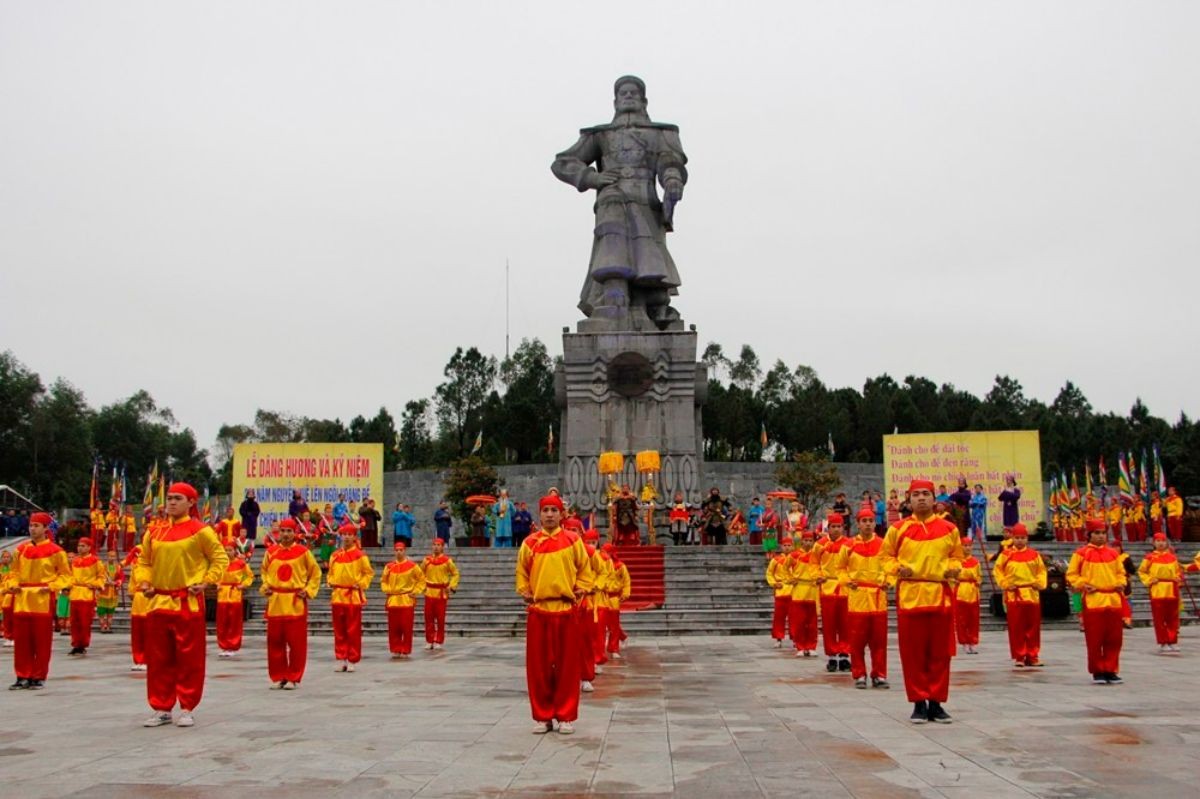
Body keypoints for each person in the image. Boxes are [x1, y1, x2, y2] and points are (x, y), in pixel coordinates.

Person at [550, 75, 688, 328]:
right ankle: (614, 293)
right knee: (613, 219)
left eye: (633, 93)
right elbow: (563, 162)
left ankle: (654, 301)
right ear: (614, 101)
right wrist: (592, 177)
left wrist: (672, 180)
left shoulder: (661, 134)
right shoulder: (602, 135)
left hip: (645, 201)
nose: (628, 97)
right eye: (622, 93)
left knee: (649, 256)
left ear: (644, 100)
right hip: (612, 198)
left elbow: (670, 161)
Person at [134, 483, 229, 726]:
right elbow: (143, 561)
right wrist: (144, 582)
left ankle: (187, 706)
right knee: (158, 659)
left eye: (177, 498)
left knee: (189, 658)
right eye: (169, 498)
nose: (171, 503)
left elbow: (220, 558)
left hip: (188, 602)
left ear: (190, 503)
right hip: (158, 601)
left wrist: (206, 582)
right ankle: (162, 707)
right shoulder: (154, 532)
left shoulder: (201, 531)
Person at [882, 479, 964, 724]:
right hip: (911, 594)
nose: (921, 498)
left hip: (939, 594)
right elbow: (885, 557)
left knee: (940, 652)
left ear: (934, 498)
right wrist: (898, 568)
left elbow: (957, 557)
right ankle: (918, 702)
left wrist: (953, 569)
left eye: (926, 494)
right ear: (908, 499)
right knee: (913, 652)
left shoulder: (949, 529)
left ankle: (937, 702)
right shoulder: (898, 529)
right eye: (916, 494)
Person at [515, 493, 595, 735]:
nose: (549, 514)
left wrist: (582, 587)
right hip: (539, 610)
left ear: (562, 514)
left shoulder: (572, 540)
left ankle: (565, 714)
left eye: (554, 510)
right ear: (539, 515)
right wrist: (525, 591)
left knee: (567, 666)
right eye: (546, 510)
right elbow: (522, 573)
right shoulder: (530, 543)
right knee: (538, 667)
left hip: (566, 609)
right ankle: (543, 715)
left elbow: (585, 569)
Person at [5, 512, 71, 689]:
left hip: (42, 598)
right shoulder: (21, 549)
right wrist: (13, 584)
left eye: (36, 526)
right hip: (22, 597)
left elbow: (65, 576)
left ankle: (38, 675)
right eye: (31, 525)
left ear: (45, 528)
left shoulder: (56, 551)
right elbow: (13, 573)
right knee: (22, 641)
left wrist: (51, 587)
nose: (32, 529)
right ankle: (22, 675)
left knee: (41, 640)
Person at [259, 518, 321, 690]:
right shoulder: (271, 552)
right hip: (276, 602)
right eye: (283, 531)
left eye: (289, 531)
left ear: (295, 533)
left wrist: (308, 590)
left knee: (296, 643)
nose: (285, 535)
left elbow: (315, 573)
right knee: (275, 642)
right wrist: (266, 586)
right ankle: (279, 676)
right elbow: (264, 572)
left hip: (295, 602)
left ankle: (294, 676)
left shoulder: (303, 552)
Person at [1066, 519, 1127, 684]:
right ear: (1089, 535)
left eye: (1102, 533)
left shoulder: (1113, 554)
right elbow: (1071, 575)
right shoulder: (1081, 554)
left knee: (1114, 638)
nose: (1100, 536)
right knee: (1094, 638)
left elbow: (1121, 573)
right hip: (1093, 600)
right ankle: (1098, 670)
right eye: (1096, 533)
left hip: (1113, 599)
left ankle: (1111, 669)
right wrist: (1083, 585)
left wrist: (1121, 583)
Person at [840, 509, 891, 688]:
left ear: (875, 523)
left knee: (879, 640)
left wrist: (889, 581)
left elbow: (891, 566)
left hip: (878, 598)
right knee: (857, 639)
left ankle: (879, 674)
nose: (868, 524)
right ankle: (859, 674)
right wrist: (848, 581)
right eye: (864, 521)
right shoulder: (849, 545)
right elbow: (840, 569)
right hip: (858, 597)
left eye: (871, 520)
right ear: (858, 524)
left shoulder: (883, 544)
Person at [994, 523, 1047, 667]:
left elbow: (1041, 571)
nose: (1019, 540)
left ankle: (1033, 655)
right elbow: (998, 571)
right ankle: (1019, 655)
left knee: (1033, 627)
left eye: (1022, 538)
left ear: (1027, 539)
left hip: (1031, 594)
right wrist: (1005, 584)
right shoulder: (1006, 555)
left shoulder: (1034, 555)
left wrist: (1040, 583)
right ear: (1012, 538)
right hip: (1014, 595)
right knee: (1017, 627)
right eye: (1017, 537)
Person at [327, 524, 375, 672]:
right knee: (339, 630)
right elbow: (330, 573)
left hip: (353, 596)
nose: (346, 537)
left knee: (353, 629)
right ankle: (341, 657)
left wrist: (360, 584)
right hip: (338, 596)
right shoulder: (335, 555)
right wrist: (330, 581)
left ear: (355, 537)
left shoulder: (360, 555)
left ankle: (352, 659)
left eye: (350, 534)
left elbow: (368, 573)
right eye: (344, 534)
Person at [814, 514, 852, 673]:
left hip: (845, 587)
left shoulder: (850, 544)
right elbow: (813, 564)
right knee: (829, 624)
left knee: (845, 623)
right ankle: (832, 655)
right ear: (828, 528)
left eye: (838, 526)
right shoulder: (820, 545)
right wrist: (818, 576)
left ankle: (844, 654)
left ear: (843, 528)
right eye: (833, 526)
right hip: (828, 586)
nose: (836, 529)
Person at [1138, 533, 1182, 653]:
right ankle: (1163, 642)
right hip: (1157, 589)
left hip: (1171, 589)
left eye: (1163, 541)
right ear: (1154, 543)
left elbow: (1178, 571)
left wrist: (1178, 578)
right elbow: (1142, 572)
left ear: (1166, 543)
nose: (1161, 543)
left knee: (1172, 617)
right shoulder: (1149, 557)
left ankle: (1172, 641)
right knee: (1159, 618)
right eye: (1158, 541)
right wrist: (1150, 580)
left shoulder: (1172, 557)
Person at [381, 542, 425, 659]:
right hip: (393, 600)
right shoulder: (389, 567)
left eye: (401, 550)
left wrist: (415, 591)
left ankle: (405, 649)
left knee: (406, 627)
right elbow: (384, 581)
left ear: (405, 551)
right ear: (394, 551)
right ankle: (395, 648)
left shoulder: (412, 566)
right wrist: (387, 590)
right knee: (393, 627)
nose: (399, 552)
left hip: (406, 600)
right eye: (397, 550)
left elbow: (421, 580)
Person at [66, 536, 106, 656]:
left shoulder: (95, 561)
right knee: (74, 622)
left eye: (83, 546)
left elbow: (101, 577)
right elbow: (69, 576)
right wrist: (68, 586)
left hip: (87, 594)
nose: (80, 548)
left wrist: (94, 584)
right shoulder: (74, 561)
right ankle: (75, 644)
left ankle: (83, 644)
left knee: (84, 622)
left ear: (89, 547)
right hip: (75, 594)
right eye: (79, 546)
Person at [215, 544, 254, 658]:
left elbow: (249, 576)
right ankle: (224, 646)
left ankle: (232, 645)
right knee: (222, 621)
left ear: (235, 551)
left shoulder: (241, 563)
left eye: (230, 550)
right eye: (226, 550)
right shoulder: (220, 563)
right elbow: (215, 575)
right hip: (222, 595)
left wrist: (243, 585)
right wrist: (217, 583)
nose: (227, 552)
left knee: (234, 621)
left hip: (235, 594)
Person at [422, 538, 459, 650]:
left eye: (438, 545)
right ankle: (429, 640)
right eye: (434, 545)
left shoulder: (447, 561)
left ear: (442, 547)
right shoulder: (426, 560)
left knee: (440, 618)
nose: (436, 547)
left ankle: (439, 640)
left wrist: (451, 586)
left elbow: (455, 573)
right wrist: (423, 586)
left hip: (441, 592)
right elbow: (419, 573)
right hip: (429, 592)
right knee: (428, 618)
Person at [787, 534, 821, 657]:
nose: (808, 543)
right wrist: (790, 579)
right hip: (798, 591)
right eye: (805, 540)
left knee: (812, 622)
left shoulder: (816, 555)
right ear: (802, 542)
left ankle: (812, 646)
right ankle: (800, 646)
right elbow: (784, 568)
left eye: (810, 540)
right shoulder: (794, 555)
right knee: (799, 621)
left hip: (812, 590)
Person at [601, 543, 631, 659]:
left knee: (613, 625)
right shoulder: (599, 563)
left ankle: (614, 648)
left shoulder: (620, 566)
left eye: (606, 552)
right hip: (600, 597)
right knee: (602, 624)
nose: (604, 554)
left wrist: (625, 593)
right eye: (603, 552)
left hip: (613, 598)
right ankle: (622, 637)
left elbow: (626, 581)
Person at [954, 538, 982, 655]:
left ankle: (972, 642)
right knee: (962, 620)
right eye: (965, 546)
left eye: (969, 545)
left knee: (973, 619)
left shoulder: (976, 562)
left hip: (973, 592)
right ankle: (964, 642)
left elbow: (979, 576)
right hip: (961, 592)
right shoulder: (956, 562)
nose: (967, 548)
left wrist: (977, 581)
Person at [765, 537, 793, 648]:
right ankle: (778, 638)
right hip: (780, 590)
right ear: (781, 547)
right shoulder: (775, 560)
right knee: (779, 616)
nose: (787, 547)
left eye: (789, 545)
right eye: (785, 545)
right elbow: (769, 573)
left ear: (793, 546)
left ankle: (795, 638)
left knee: (794, 617)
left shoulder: (796, 558)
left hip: (793, 590)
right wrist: (774, 583)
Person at [96, 549, 123, 634]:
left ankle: (108, 626)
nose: (112, 558)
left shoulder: (118, 567)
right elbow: (99, 577)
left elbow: (121, 577)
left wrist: (117, 583)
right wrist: (105, 582)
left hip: (113, 591)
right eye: (110, 556)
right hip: (104, 591)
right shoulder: (103, 567)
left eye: (113, 556)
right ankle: (102, 626)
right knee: (101, 610)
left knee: (110, 610)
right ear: (107, 557)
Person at [0, 549, 14, 646]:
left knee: (12, 618)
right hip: (2, 595)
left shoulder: (14, 569)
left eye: (8, 557)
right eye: (4, 557)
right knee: (5, 618)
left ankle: (13, 637)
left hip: (11, 595)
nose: (6, 559)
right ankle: (7, 636)